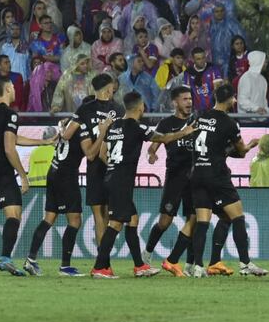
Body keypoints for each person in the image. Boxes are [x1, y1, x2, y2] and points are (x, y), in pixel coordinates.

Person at [91, 90, 195, 278]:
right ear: (140, 107)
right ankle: (100, 267)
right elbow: (163, 138)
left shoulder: (113, 127)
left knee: (132, 220)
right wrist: (184, 132)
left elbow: (101, 154)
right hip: (121, 182)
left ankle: (140, 266)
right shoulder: (137, 127)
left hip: (111, 178)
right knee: (115, 224)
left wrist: (115, 167)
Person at [169, 83, 265, 279]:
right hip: (217, 175)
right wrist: (252, 144)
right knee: (237, 217)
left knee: (202, 222)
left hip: (197, 174)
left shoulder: (199, 116)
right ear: (229, 100)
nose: (235, 101)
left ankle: (198, 267)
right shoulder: (230, 123)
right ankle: (245, 263)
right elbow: (241, 150)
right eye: (234, 98)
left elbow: (192, 135)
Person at [0, 77, 54, 276]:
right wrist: (23, 175)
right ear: (8, 89)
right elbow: (9, 148)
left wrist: (42, 142)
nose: (15, 89)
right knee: (14, 214)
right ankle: (5, 258)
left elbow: (9, 137)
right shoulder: (10, 114)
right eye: (13, 86)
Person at [24, 109, 114, 277]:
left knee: (49, 218)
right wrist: (102, 134)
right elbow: (90, 154)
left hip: (54, 170)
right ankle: (65, 266)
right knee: (75, 221)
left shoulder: (69, 124)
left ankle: (31, 259)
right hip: (66, 176)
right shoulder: (83, 128)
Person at [61, 73, 123, 246]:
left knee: (99, 216)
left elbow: (66, 135)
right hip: (113, 166)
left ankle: (102, 262)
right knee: (116, 216)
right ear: (109, 89)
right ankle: (104, 261)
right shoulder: (118, 110)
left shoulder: (84, 109)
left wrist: (63, 128)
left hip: (94, 167)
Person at [143, 86, 197, 274]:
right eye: (185, 99)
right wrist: (151, 155)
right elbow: (153, 147)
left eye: (190, 99)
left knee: (194, 220)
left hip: (195, 179)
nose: (189, 102)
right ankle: (147, 253)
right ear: (175, 102)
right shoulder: (166, 124)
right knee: (165, 222)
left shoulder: (197, 121)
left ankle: (190, 264)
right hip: (174, 177)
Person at [183, 46, 224, 111]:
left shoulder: (213, 69)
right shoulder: (188, 73)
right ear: (193, 60)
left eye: (203, 58)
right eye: (198, 59)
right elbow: (185, 93)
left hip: (213, 109)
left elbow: (218, 89)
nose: (202, 61)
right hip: (197, 111)